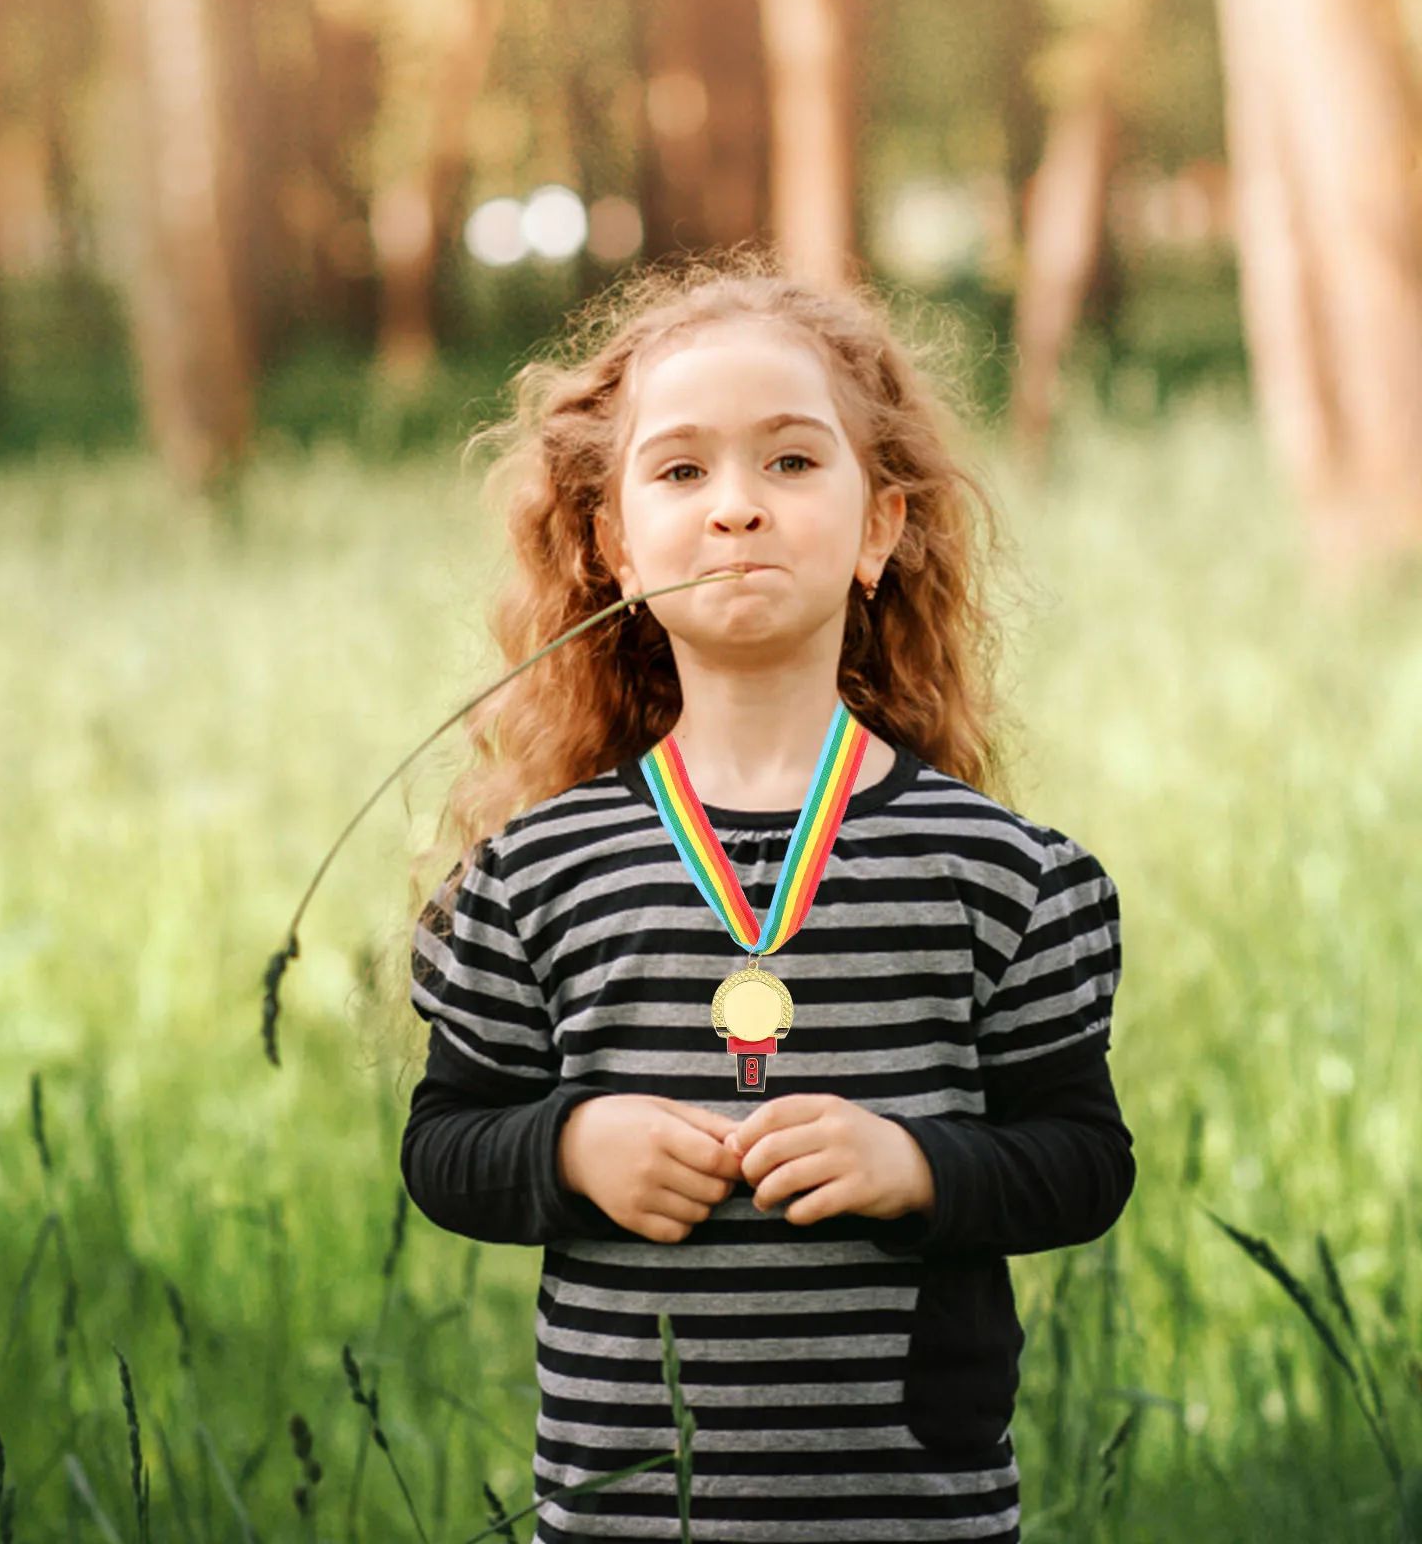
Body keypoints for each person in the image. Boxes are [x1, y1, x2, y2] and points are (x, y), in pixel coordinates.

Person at [400, 248, 1135, 1543]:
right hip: (633, 1513)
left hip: (913, 1516)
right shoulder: (534, 874)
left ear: (880, 529)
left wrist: (918, 1164)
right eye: (682, 471)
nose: (737, 507)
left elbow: (1082, 1163)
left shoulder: (1003, 875)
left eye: (791, 461)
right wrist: (573, 1147)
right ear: (616, 547)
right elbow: (446, 1146)